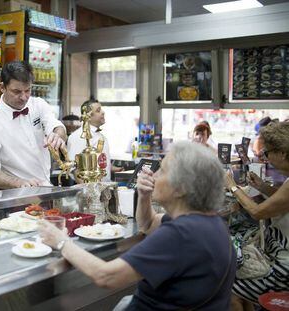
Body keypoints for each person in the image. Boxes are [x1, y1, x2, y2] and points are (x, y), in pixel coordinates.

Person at [39, 141, 236, 310]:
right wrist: (144, 197)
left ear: (181, 188)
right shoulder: (210, 222)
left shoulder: (180, 235)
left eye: (163, 170)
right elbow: (148, 224)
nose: (154, 175)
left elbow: (105, 277)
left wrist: (61, 242)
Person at [225, 121, 289, 311]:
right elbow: (282, 199)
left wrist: (232, 186)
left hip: (284, 268)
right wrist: (261, 187)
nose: (265, 157)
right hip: (279, 256)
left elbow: (257, 212)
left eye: (268, 153)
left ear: (283, 153)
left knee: (227, 287)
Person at [0, 61, 66, 189]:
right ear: (2, 87)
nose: (24, 97)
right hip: (18, 194)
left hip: (47, 187)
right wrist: (19, 183)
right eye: (17, 91)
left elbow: (58, 127)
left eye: (28, 90)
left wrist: (58, 136)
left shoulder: (38, 104)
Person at [67, 99, 122, 182]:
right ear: (88, 116)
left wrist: (114, 168)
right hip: (91, 191)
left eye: (101, 109)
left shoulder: (100, 135)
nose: (103, 112)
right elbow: (75, 169)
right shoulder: (79, 136)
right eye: (98, 110)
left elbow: (99, 161)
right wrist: (90, 192)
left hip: (104, 188)